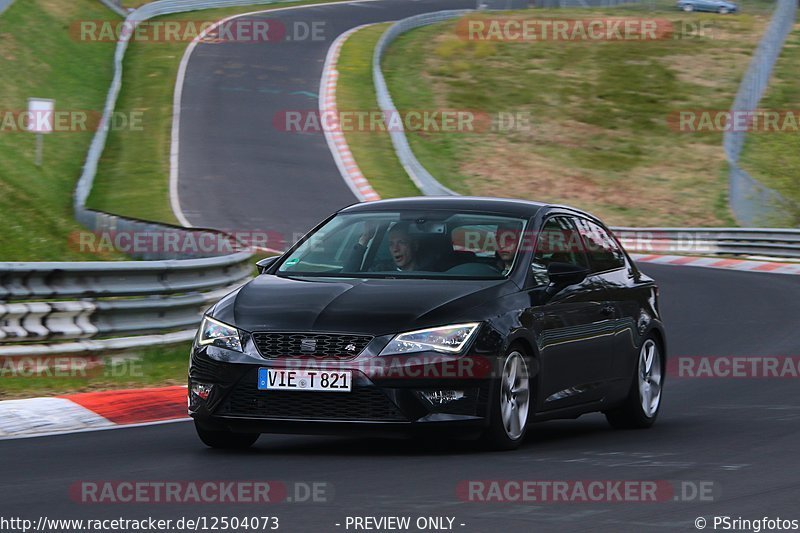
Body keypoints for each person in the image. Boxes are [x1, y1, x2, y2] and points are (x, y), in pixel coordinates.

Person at [343, 221, 420, 272]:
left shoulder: (428, 272)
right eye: (391, 244)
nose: (395, 249)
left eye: (401, 242)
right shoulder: (381, 270)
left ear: (415, 245)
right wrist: (365, 238)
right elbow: (346, 277)